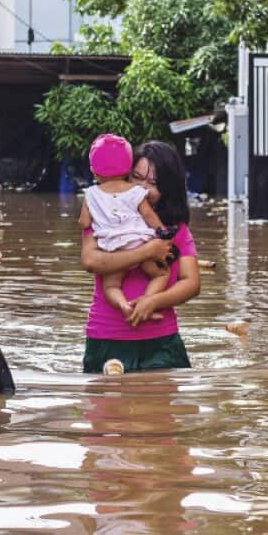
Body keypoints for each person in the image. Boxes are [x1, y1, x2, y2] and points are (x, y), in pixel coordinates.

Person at [80, 141, 201, 373]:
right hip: (106, 338)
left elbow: (192, 283)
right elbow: (90, 261)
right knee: (106, 409)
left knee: (162, 410)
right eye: (137, 178)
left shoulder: (175, 228)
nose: (143, 189)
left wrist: (153, 301)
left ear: (169, 188)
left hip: (162, 341)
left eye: (153, 183)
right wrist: (147, 251)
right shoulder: (102, 219)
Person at [78, 134, 175, 318]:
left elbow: (84, 222)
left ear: (93, 171)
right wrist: (164, 233)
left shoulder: (90, 194)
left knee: (111, 286)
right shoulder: (137, 192)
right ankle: (146, 303)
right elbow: (148, 215)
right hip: (140, 241)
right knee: (161, 274)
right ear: (128, 169)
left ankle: (125, 306)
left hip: (113, 248)